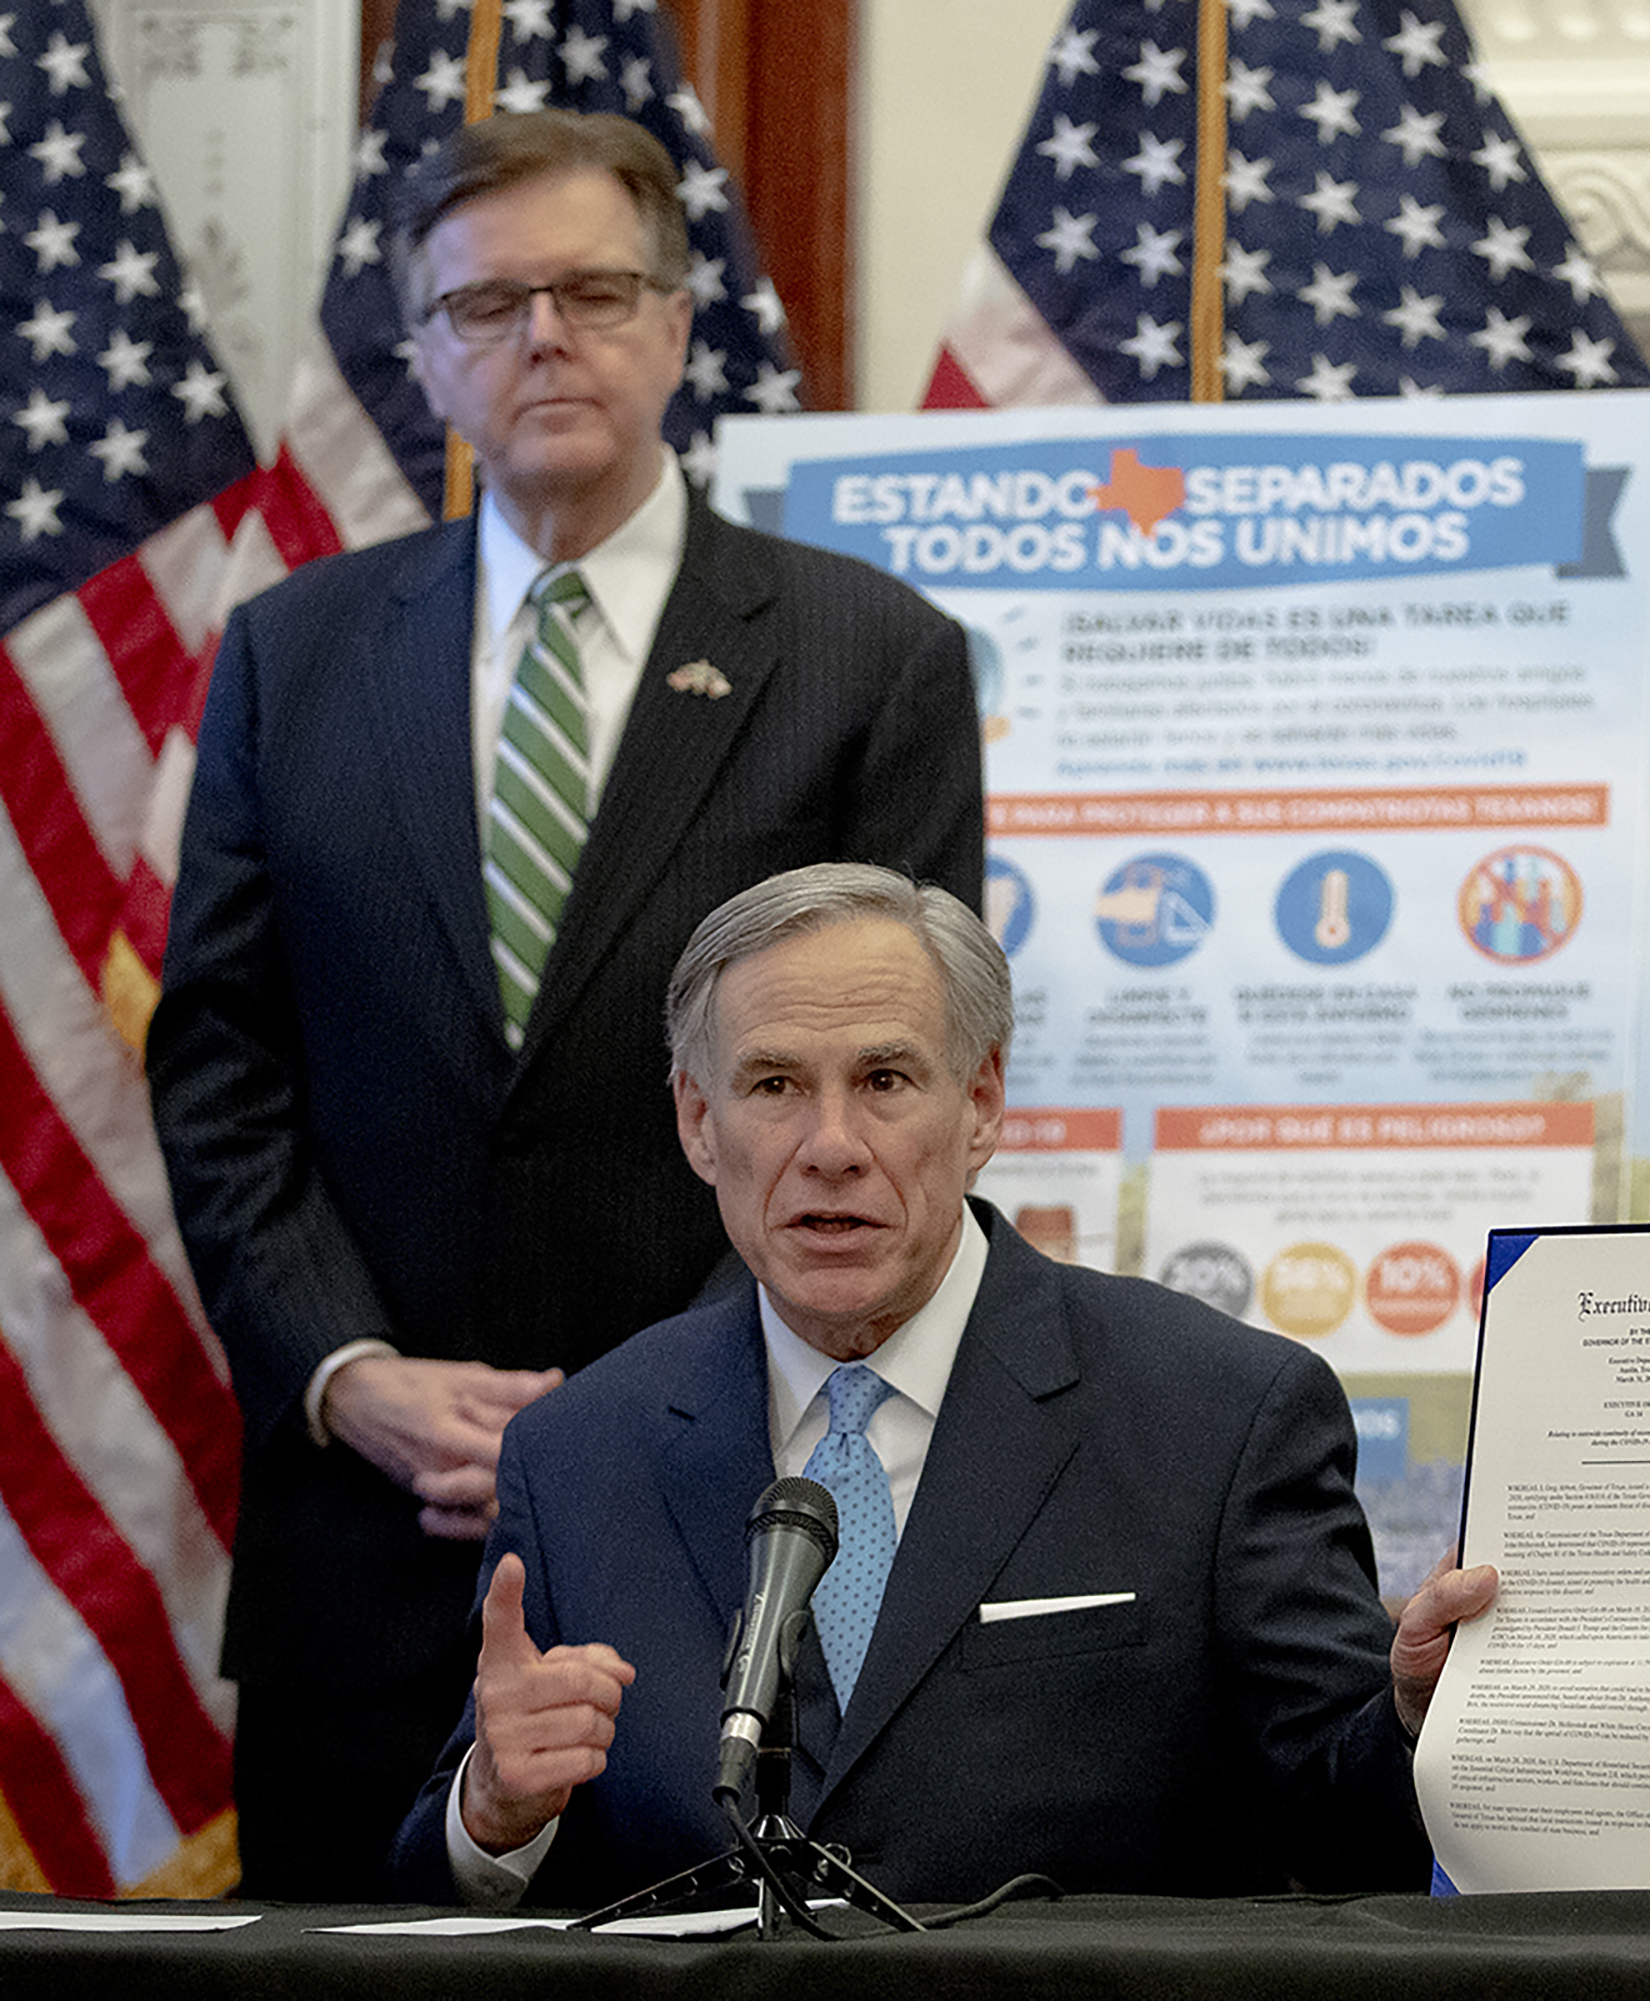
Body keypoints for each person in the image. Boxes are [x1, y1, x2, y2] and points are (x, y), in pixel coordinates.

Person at [146, 111, 983, 1898]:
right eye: (491, 301)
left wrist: (623, 1411)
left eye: (596, 289)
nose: (548, 336)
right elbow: (222, 1063)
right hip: (362, 1553)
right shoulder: (292, 653)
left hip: (728, 1527)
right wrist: (348, 1375)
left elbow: (899, 1085)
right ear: (425, 352)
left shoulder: (867, 655)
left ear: (681, 323)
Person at [391, 864, 1499, 1907]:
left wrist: (1412, 1717)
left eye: (884, 1081)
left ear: (980, 1103)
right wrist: (494, 1812)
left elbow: (1349, 1829)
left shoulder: (1219, 1414)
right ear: (697, 1121)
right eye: (774, 1084)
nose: (831, 1146)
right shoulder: (582, 1449)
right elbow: (442, 1873)